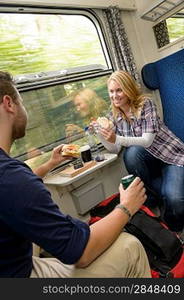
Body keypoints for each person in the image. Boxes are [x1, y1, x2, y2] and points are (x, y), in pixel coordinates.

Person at [0, 71, 151, 278]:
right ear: (9, 103)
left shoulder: (11, 175)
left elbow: (14, 187)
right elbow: (82, 254)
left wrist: (50, 164)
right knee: (130, 246)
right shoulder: (12, 178)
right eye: (22, 101)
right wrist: (126, 207)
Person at [96, 70, 184, 234]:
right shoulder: (114, 115)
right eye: (111, 91)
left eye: (119, 90)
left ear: (128, 89)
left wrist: (116, 138)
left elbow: (146, 141)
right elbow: (114, 149)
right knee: (130, 154)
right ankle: (151, 202)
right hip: (150, 161)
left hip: (171, 156)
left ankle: (175, 230)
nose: (115, 96)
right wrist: (102, 134)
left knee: (174, 199)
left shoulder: (145, 104)